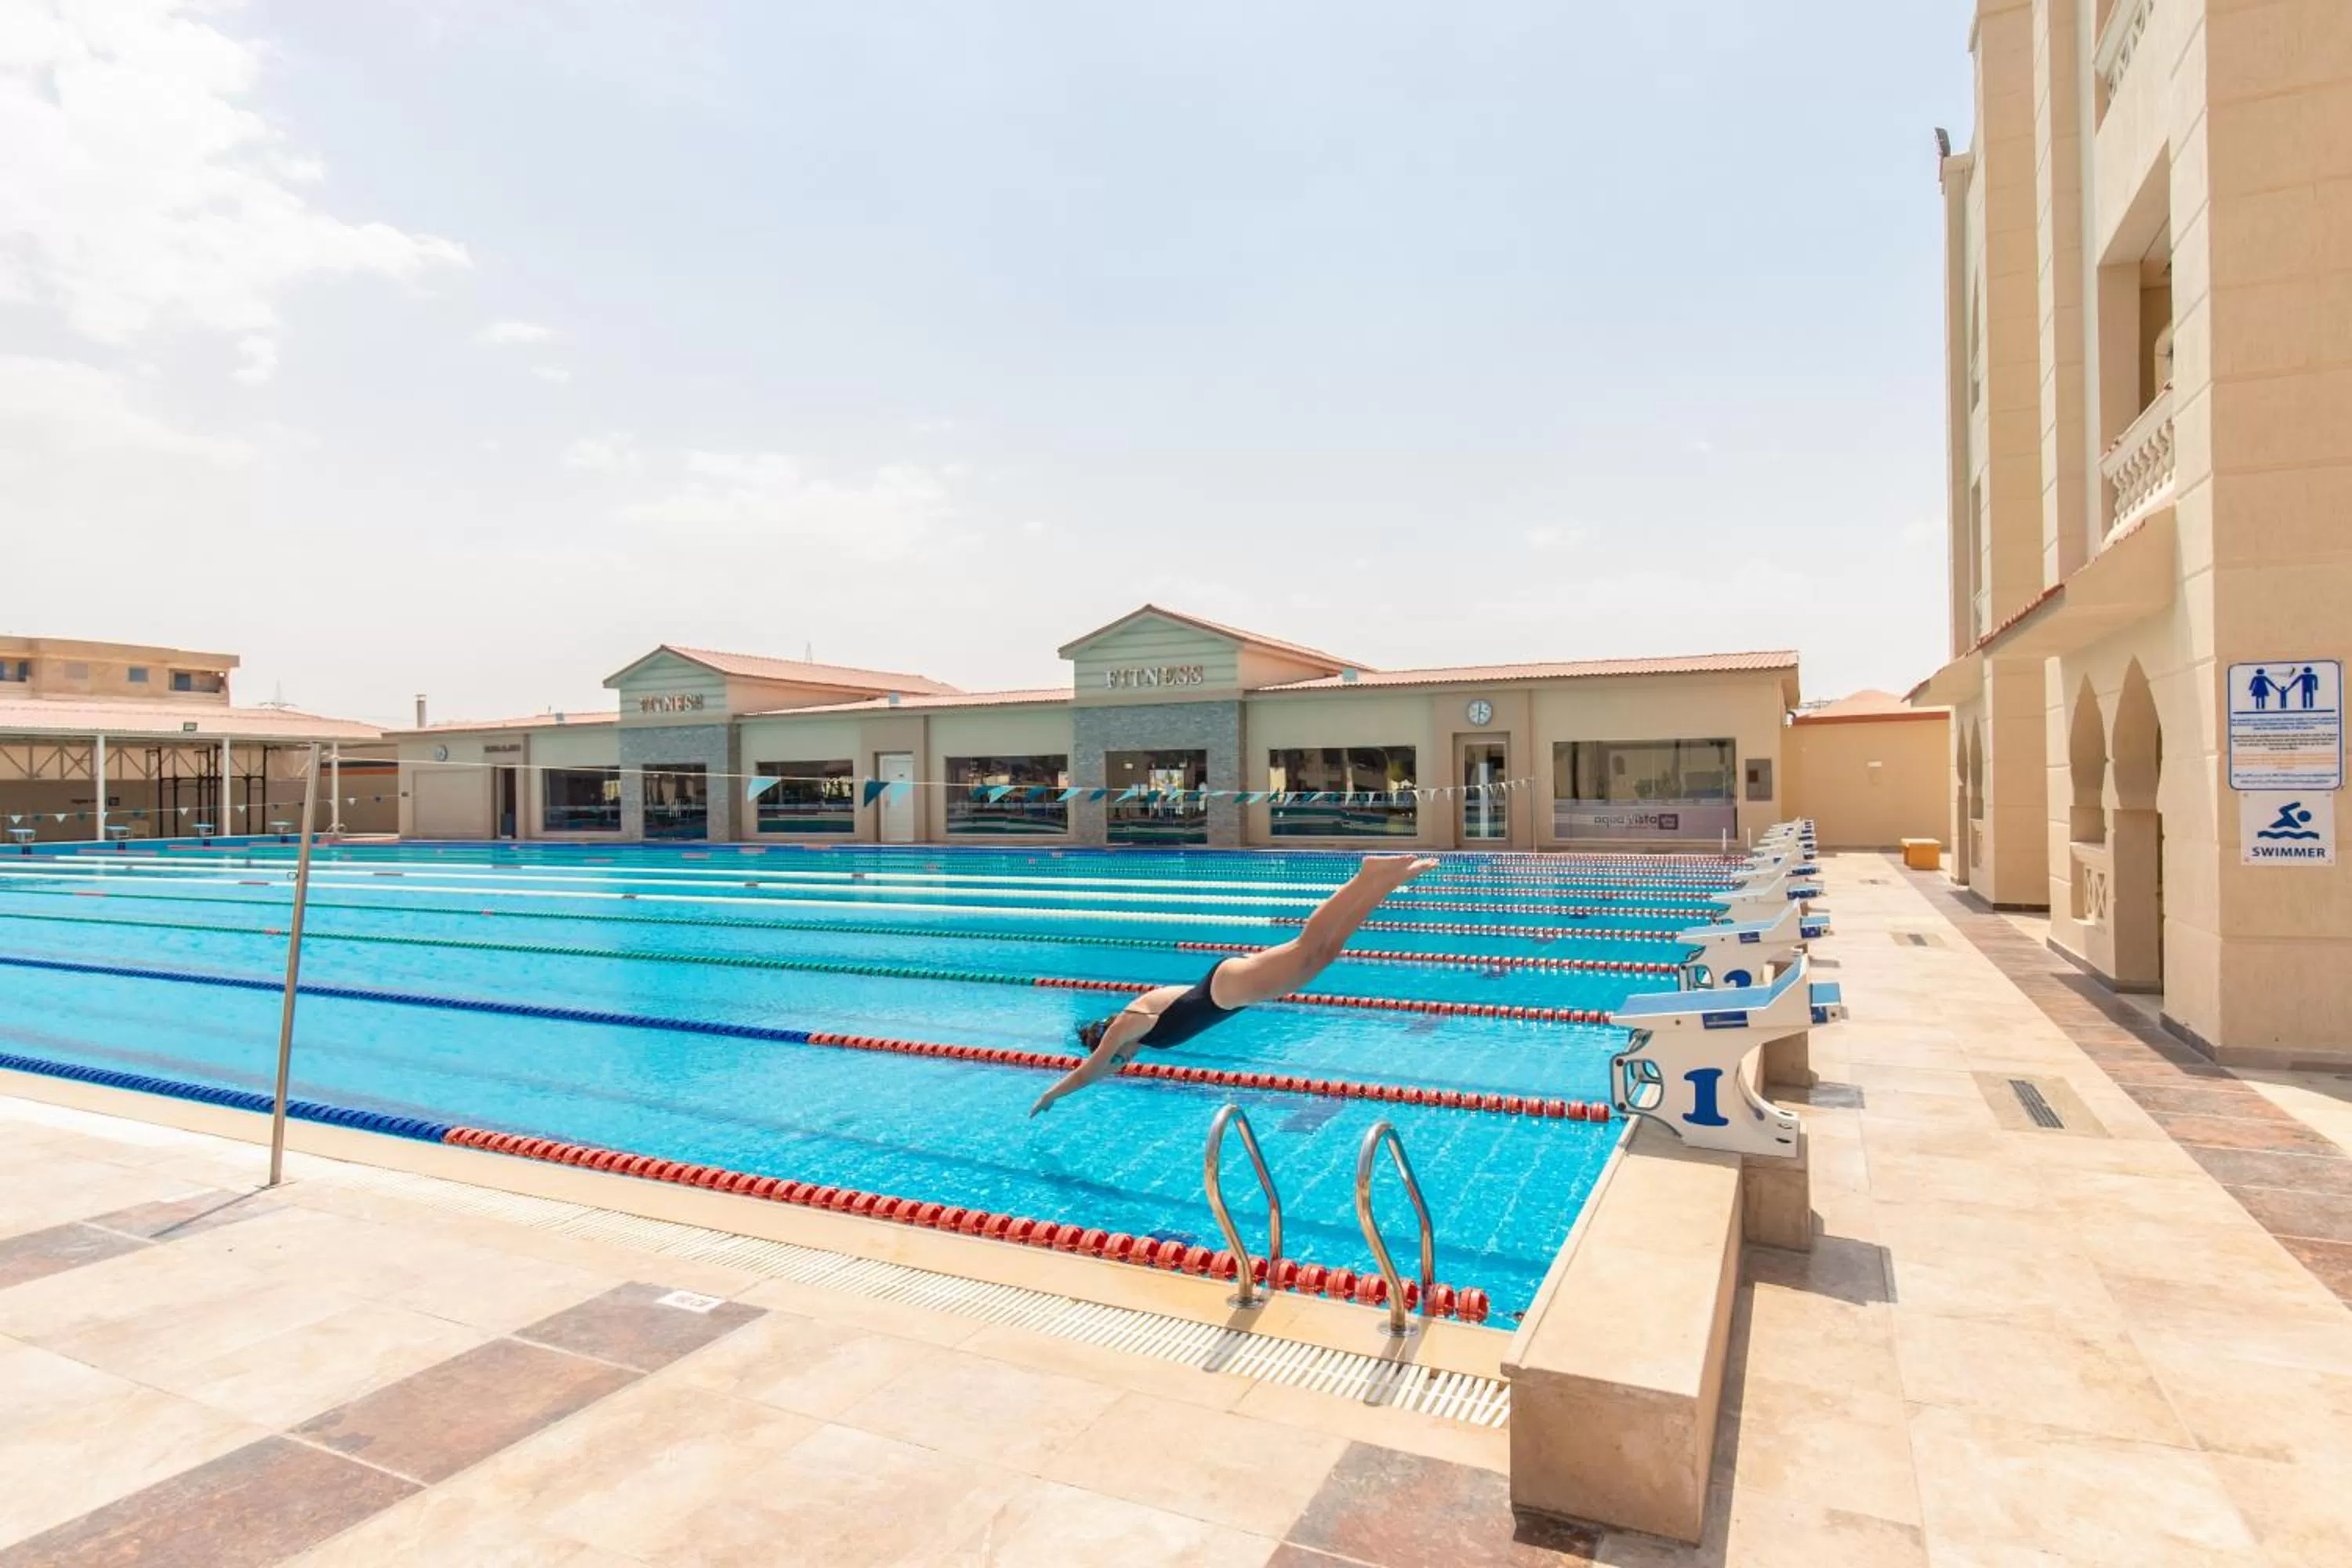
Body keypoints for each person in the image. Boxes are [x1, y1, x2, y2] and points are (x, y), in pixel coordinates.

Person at [1029, 852, 1440, 1116]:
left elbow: (1088, 1072)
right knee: (1324, 953)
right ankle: (1386, 881)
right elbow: (1103, 1068)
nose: (1123, 1063)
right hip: (1230, 990)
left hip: (1227, 989)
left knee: (1308, 946)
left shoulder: (1126, 1024)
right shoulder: (1137, 1026)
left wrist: (1051, 1095)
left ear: (1110, 1043)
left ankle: (1364, 875)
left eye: (1119, 1060)